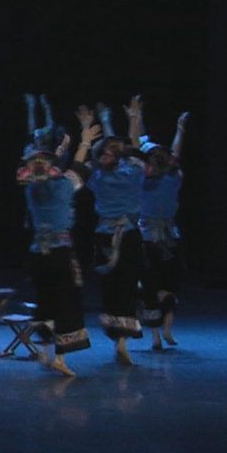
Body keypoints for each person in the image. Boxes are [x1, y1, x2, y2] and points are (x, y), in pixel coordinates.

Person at [20, 126, 99, 376]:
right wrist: (84, 142)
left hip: (38, 254)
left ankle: (44, 351)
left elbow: (48, 172)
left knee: (44, 300)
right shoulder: (63, 187)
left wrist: (60, 151)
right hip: (59, 254)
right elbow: (77, 167)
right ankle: (60, 358)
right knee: (65, 302)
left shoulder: (32, 189)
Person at [81, 99, 147, 365]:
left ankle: (117, 339)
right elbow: (135, 150)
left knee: (110, 287)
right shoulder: (131, 174)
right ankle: (122, 342)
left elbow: (85, 162)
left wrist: (88, 133)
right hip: (127, 234)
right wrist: (133, 118)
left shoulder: (96, 177)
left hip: (105, 234)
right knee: (127, 286)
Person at [132, 102, 188, 350]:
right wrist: (136, 119)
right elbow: (137, 149)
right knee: (151, 287)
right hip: (147, 237)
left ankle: (167, 329)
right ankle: (155, 335)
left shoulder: (173, 178)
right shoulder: (142, 181)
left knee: (171, 284)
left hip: (169, 236)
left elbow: (175, 154)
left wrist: (180, 129)